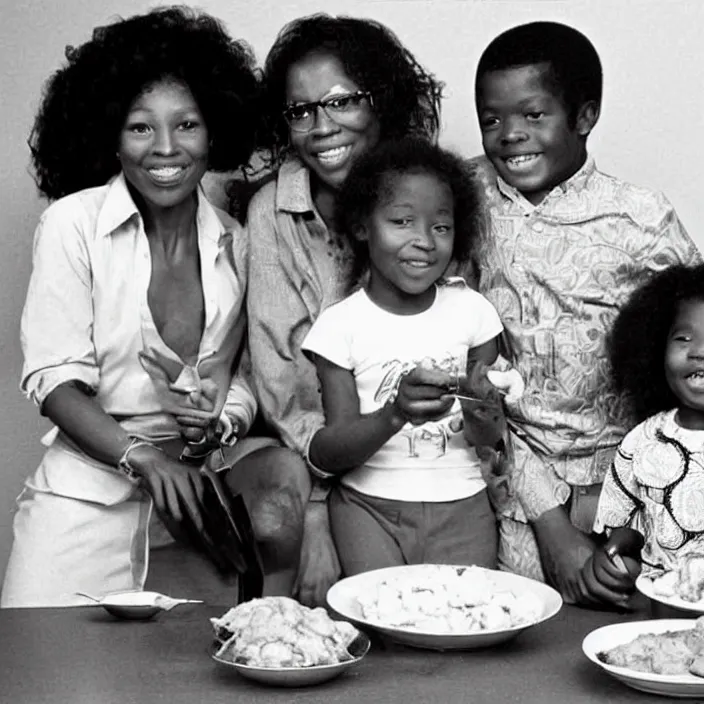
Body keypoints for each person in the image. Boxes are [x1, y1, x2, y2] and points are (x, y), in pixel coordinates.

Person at [1, 6, 309, 608]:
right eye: (140, 127)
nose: (166, 148)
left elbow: (241, 378)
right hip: (89, 494)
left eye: (187, 124)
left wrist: (220, 420)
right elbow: (52, 379)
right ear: (110, 134)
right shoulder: (72, 225)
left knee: (193, 683)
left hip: (199, 499)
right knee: (42, 676)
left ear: (214, 129)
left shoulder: (236, 240)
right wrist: (140, 456)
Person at [468, 20, 701, 603]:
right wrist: (550, 521)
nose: (509, 135)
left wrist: (629, 520)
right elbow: (467, 378)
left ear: (585, 116)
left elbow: (694, 349)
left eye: (533, 115)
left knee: (638, 641)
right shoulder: (461, 201)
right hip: (510, 490)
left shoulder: (640, 218)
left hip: (635, 493)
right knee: (515, 649)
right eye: (491, 119)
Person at [245, 14, 444, 604]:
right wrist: (316, 511)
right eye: (300, 110)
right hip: (315, 463)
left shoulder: (427, 193)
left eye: (340, 102)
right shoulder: (271, 213)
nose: (321, 127)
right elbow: (281, 381)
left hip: (425, 461)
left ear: (381, 101)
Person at [300, 137, 515, 575]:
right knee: (381, 623)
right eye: (401, 221)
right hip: (368, 510)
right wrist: (395, 413)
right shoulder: (340, 327)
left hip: (464, 506)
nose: (424, 242)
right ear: (362, 226)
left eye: (441, 227)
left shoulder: (474, 312)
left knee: (464, 623)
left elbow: (489, 442)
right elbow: (327, 454)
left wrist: (482, 406)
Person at [581, 264, 704, 606]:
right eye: (683, 338)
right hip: (661, 608)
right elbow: (631, 522)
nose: (699, 352)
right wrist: (615, 548)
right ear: (654, 347)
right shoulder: (642, 441)